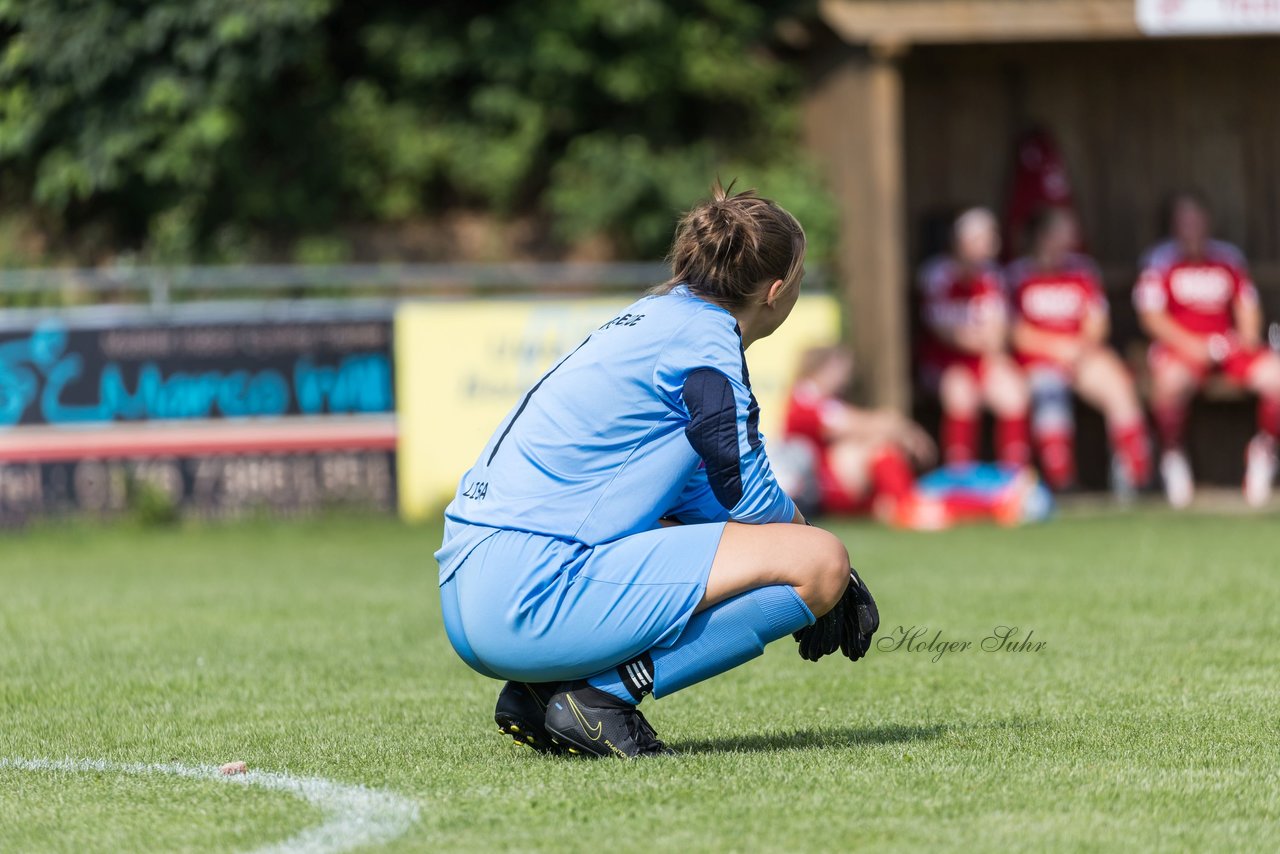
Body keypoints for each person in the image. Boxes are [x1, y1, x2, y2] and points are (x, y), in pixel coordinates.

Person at [434, 182, 879, 760]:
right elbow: (742, 490)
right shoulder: (706, 339)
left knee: (791, 551)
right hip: (531, 591)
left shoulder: (655, 316)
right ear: (776, 291)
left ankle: (541, 690)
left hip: (471, 584)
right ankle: (597, 696)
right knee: (821, 563)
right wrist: (824, 564)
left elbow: (703, 499)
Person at [1134, 191, 1280, 507]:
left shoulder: (1227, 257)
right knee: (1169, 383)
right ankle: (1172, 455)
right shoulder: (1159, 260)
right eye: (1184, 222)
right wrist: (1191, 345)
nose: (1192, 229)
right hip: (1180, 346)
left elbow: (1247, 308)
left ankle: (1265, 451)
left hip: (1225, 343)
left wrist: (1248, 335)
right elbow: (1152, 318)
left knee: (1276, 376)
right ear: (1173, 227)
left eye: (1197, 221)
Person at [1008, 207, 1151, 494]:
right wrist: (1057, 349)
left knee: (1117, 383)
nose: (1070, 239)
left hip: (1080, 354)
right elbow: (1015, 332)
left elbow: (1097, 324)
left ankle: (1135, 477)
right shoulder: (1016, 274)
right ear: (1042, 236)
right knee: (1050, 389)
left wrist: (1078, 351)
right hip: (1039, 357)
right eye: (1062, 232)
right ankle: (1062, 481)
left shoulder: (1082, 270)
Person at [781, 346, 948, 529]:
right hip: (818, 487)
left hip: (829, 482)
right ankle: (905, 505)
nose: (845, 378)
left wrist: (902, 429)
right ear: (825, 368)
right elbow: (859, 424)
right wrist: (905, 430)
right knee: (871, 447)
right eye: (841, 370)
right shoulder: (805, 400)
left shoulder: (822, 400)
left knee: (872, 444)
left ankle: (898, 504)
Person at [918, 207, 1031, 468]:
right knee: (961, 392)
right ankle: (960, 473)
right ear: (962, 242)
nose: (990, 246)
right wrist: (982, 341)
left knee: (1013, 391)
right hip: (943, 361)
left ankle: (1013, 474)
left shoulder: (992, 275)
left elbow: (999, 329)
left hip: (984, 359)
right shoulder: (938, 274)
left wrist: (992, 353)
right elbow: (947, 333)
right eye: (982, 239)